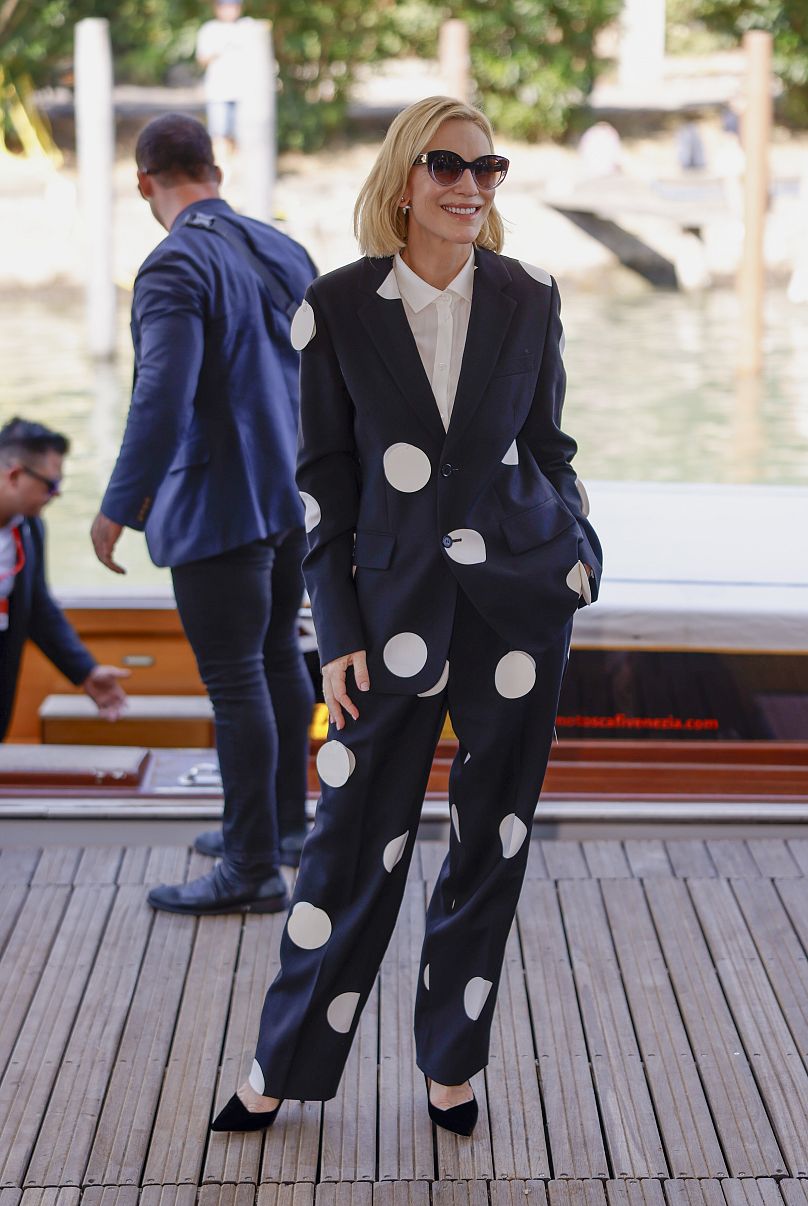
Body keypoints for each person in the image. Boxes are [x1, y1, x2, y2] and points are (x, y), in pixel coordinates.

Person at [211, 96, 602, 1138]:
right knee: (349, 842)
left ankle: (449, 1065)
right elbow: (321, 488)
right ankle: (282, 1063)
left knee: (492, 843)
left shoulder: (530, 297)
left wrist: (579, 556)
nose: (470, 186)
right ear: (402, 179)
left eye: (488, 169)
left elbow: (551, 451)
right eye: (447, 166)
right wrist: (332, 632)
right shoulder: (335, 308)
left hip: (518, 606)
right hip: (385, 618)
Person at [90, 114, 317, 916]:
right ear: (214, 170)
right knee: (279, 658)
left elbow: (162, 394)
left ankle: (250, 865)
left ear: (145, 181)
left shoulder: (172, 265)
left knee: (235, 679)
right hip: (294, 496)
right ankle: (283, 830)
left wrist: (119, 504)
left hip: (223, 504)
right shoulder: (282, 248)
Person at [0, 417, 128, 742]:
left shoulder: (29, 530)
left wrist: (85, 671)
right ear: (15, 475)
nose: (55, 495)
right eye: (50, 485)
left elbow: (38, 607)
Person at [196, 0, 251, 162]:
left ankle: (236, 168)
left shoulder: (246, 27)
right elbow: (202, 59)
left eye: (233, 6)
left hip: (243, 92)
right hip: (218, 91)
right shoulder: (209, 29)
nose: (229, 10)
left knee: (239, 133)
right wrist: (219, 49)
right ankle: (222, 168)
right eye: (225, 6)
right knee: (219, 133)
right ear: (217, 8)